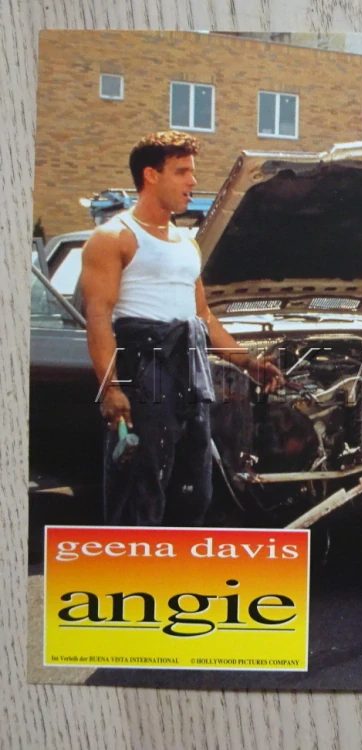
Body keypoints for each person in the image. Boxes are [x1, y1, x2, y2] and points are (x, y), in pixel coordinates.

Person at [79, 131, 284, 526]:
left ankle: (177, 562)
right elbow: (99, 316)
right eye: (181, 171)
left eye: (192, 171)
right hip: (143, 370)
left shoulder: (187, 244)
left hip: (188, 373)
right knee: (141, 488)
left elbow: (202, 316)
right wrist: (111, 389)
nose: (193, 181)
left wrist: (248, 362)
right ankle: (132, 565)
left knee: (195, 491)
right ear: (150, 175)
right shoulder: (114, 237)